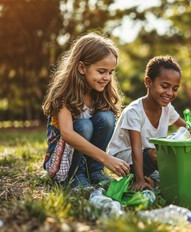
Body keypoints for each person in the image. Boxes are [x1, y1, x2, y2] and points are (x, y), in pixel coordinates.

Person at [42, 32, 130, 189]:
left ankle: (94, 172)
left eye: (110, 72)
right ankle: (76, 175)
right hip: (62, 161)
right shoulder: (65, 93)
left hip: (88, 156)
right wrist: (107, 159)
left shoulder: (100, 93)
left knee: (107, 118)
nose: (107, 78)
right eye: (101, 71)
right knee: (84, 126)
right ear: (82, 67)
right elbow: (67, 134)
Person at [108, 56, 186, 191]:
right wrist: (140, 180)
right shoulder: (134, 112)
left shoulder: (167, 108)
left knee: (168, 161)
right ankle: (139, 179)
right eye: (165, 86)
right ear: (148, 82)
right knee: (157, 154)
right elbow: (136, 148)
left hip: (148, 159)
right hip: (123, 161)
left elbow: (185, 127)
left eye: (175, 88)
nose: (170, 93)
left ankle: (153, 180)